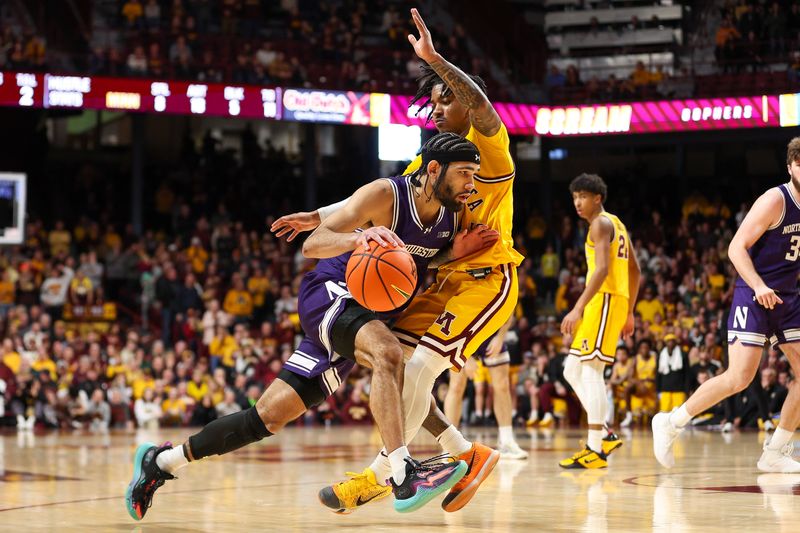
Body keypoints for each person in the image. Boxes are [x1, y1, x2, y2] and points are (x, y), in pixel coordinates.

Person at [124, 132, 492, 521]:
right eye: (465, 174)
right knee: (388, 354)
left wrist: (453, 254)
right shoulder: (387, 194)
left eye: (474, 175)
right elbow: (313, 244)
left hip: (366, 313)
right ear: (434, 170)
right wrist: (360, 235)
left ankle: (161, 462)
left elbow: (415, 263)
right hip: (332, 292)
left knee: (267, 416)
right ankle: (403, 471)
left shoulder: (451, 217)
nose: (471, 184)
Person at [273, 8, 523, 513]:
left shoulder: (489, 156)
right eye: (431, 102)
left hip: (484, 279)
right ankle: (465, 454)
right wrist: (321, 216)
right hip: (437, 276)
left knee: (424, 365)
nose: (435, 109)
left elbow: (483, 106)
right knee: (395, 367)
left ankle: (381, 475)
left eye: (444, 100)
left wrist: (435, 61)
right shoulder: (425, 165)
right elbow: (383, 206)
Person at [653, 137, 800, 473]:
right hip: (754, 292)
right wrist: (759, 285)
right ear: (790, 166)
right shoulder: (775, 199)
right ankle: (671, 423)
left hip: (788, 297)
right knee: (739, 377)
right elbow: (736, 248)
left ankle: (775, 452)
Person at [559, 173, 641, 469]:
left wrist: (578, 307)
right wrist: (629, 310)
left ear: (598, 198)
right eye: (574, 197)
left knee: (591, 371)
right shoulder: (616, 223)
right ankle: (604, 433)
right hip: (609, 302)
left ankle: (596, 449)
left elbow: (603, 269)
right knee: (572, 370)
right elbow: (635, 270)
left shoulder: (601, 223)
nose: (578, 202)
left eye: (583, 196)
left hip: (604, 300)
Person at [444, 317, 528, 459]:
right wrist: (466, 356)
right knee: (456, 386)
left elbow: (509, 307)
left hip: (490, 333)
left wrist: (501, 337)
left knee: (502, 385)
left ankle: (506, 442)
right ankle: (448, 447)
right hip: (462, 335)